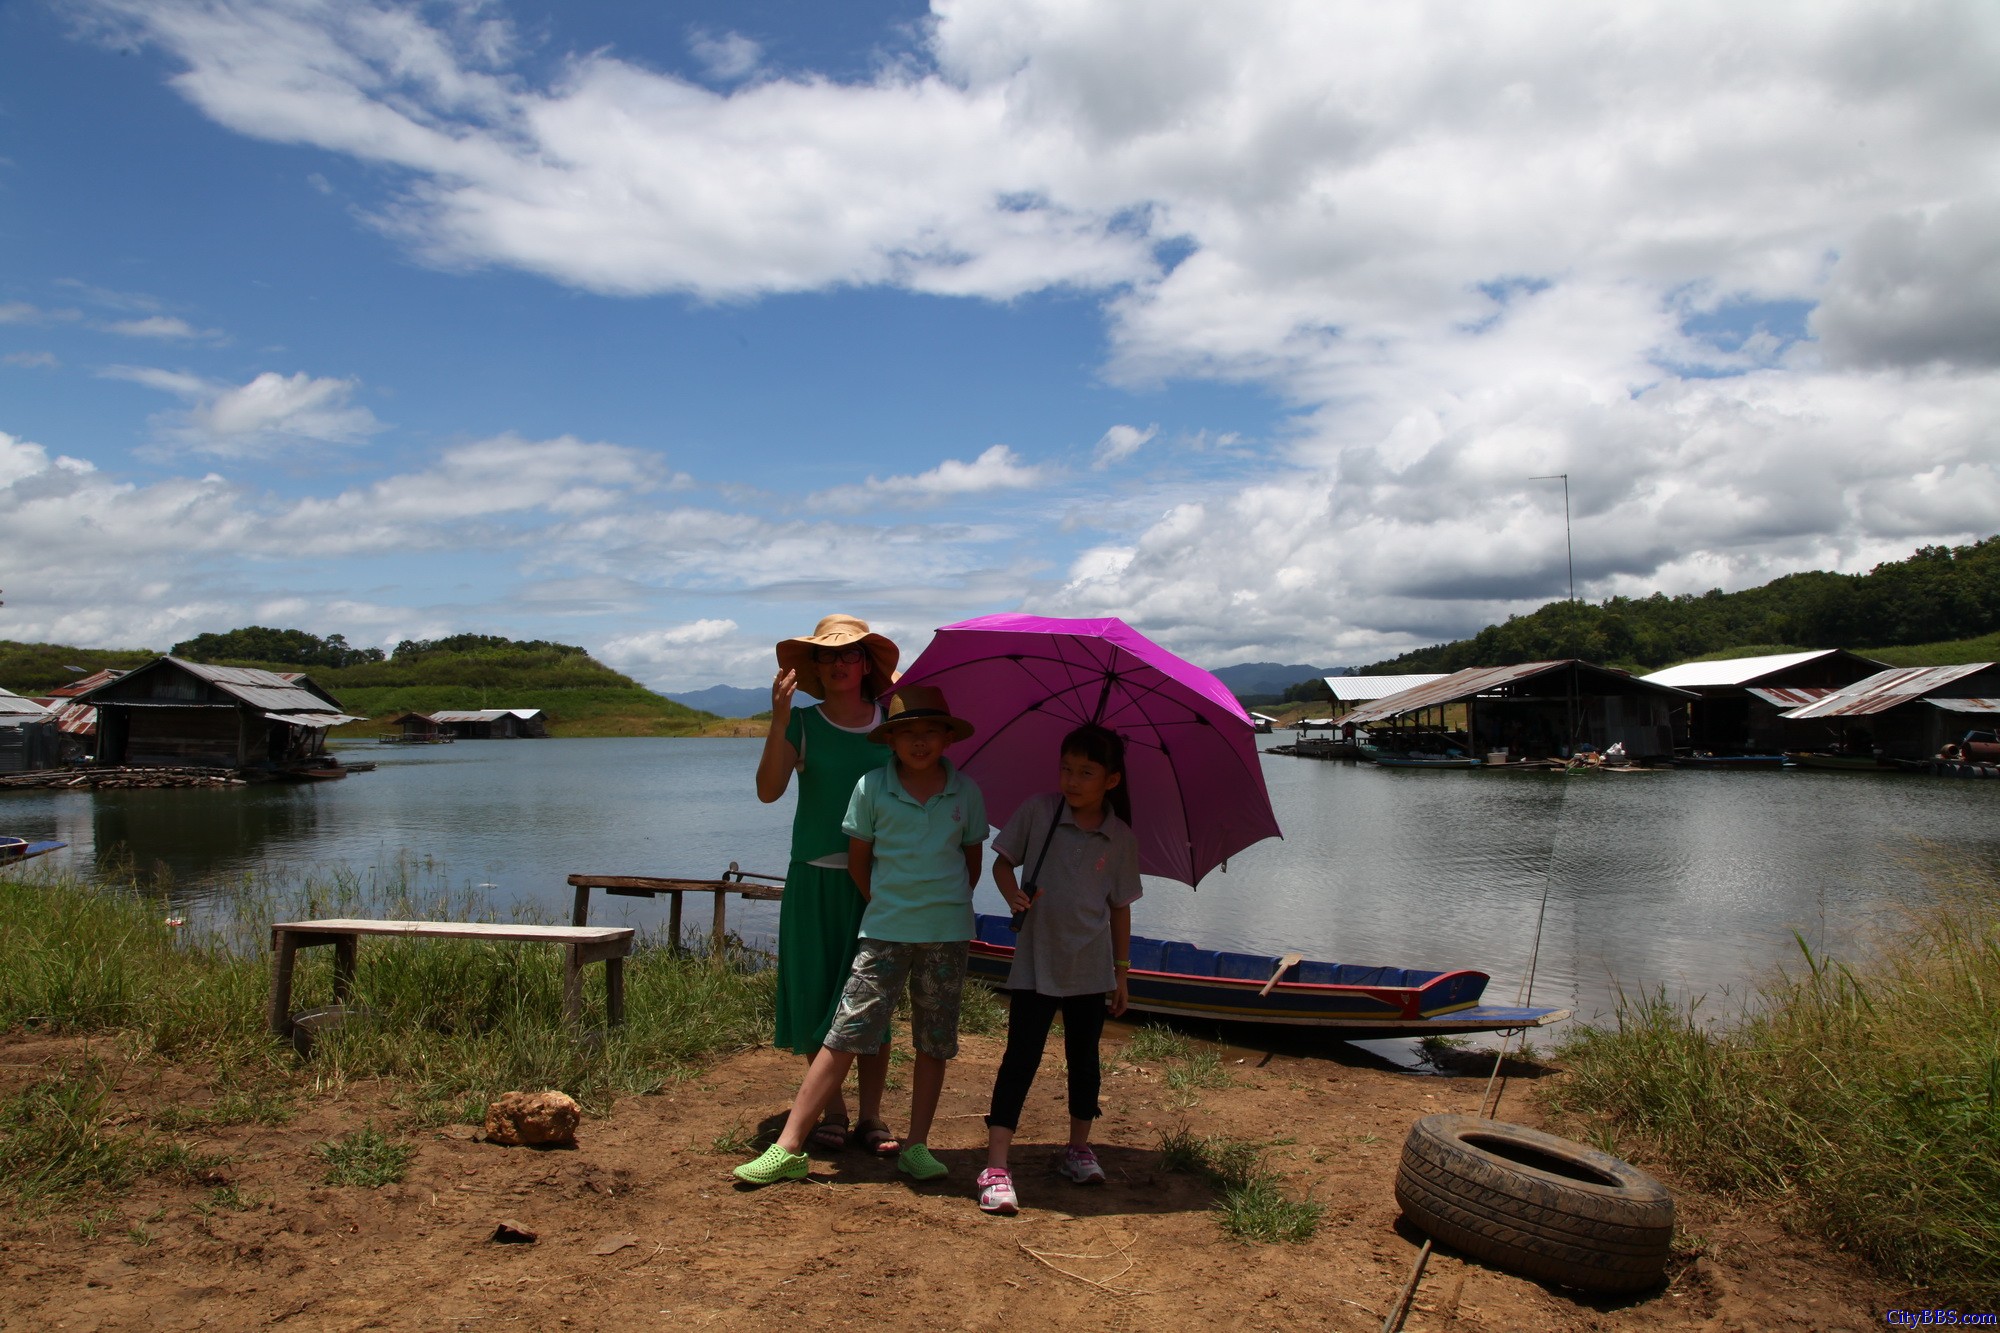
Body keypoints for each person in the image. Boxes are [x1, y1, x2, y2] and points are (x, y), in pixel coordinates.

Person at [735, 685, 987, 1186]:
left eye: (930, 732)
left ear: (947, 739)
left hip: (947, 933)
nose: (919, 743)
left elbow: (971, 862)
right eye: (908, 733)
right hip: (885, 929)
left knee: (934, 1040)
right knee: (846, 1031)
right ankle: (788, 1146)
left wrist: (941, 907)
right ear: (890, 740)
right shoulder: (871, 787)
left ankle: (918, 1144)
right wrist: (891, 905)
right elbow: (858, 864)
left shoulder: (967, 793)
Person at [976, 724, 1141, 1216]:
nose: (1072, 780)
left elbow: (1120, 908)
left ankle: (1078, 1149)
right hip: (1036, 961)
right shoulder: (1039, 812)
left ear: (1111, 780)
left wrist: (1122, 971)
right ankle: (997, 1164)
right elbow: (1002, 864)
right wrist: (1012, 893)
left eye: (1086, 772)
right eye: (1066, 768)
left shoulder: (1120, 838)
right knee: (1020, 1057)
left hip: (1091, 969)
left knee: (1084, 1060)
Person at [754, 613, 900, 1154]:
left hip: (881, 883)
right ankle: (833, 1112)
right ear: (814, 666)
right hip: (815, 878)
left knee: (875, 1001)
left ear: (867, 664)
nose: (839, 664)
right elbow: (768, 791)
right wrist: (778, 718)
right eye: (828, 656)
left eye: (849, 654)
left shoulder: (892, 724)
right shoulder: (804, 725)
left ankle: (873, 1115)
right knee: (823, 993)